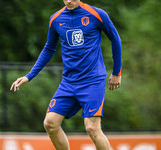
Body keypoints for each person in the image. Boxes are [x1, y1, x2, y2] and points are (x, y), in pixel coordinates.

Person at [10, 0, 122, 149]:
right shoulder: (55, 19)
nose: (69, 0)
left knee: (92, 128)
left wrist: (116, 73)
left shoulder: (97, 14)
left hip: (92, 81)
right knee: (50, 123)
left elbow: (115, 40)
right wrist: (29, 75)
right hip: (69, 83)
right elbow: (49, 49)